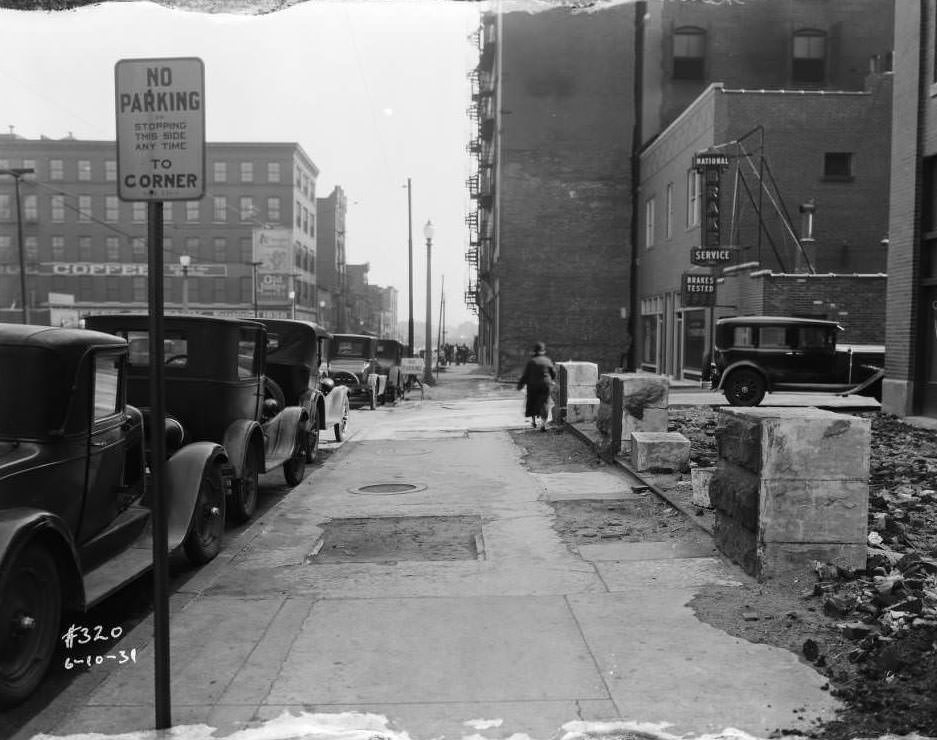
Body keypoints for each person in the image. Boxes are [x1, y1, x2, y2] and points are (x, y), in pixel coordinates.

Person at [516, 341, 556, 431]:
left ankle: (533, 421)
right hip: (546, 384)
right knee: (545, 403)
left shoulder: (531, 362)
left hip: (533, 385)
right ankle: (543, 424)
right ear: (543, 351)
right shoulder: (547, 360)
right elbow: (553, 373)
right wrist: (552, 380)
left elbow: (525, 375)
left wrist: (520, 385)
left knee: (532, 401)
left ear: (535, 352)